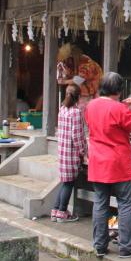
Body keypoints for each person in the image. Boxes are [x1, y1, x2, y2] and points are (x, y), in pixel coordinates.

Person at [85, 72, 131, 258]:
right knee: (126, 204)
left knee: (100, 203)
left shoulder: (90, 106)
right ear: (119, 90)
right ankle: (128, 245)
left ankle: (100, 244)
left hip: (97, 161)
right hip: (118, 162)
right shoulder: (120, 109)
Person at [52, 85, 85, 223]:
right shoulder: (75, 112)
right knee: (69, 183)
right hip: (71, 153)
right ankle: (63, 211)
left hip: (62, 150)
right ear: (78, 97)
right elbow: (76, 136)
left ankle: (55, 210)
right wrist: (82, 151)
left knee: (64, 182)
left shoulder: (62, 109)